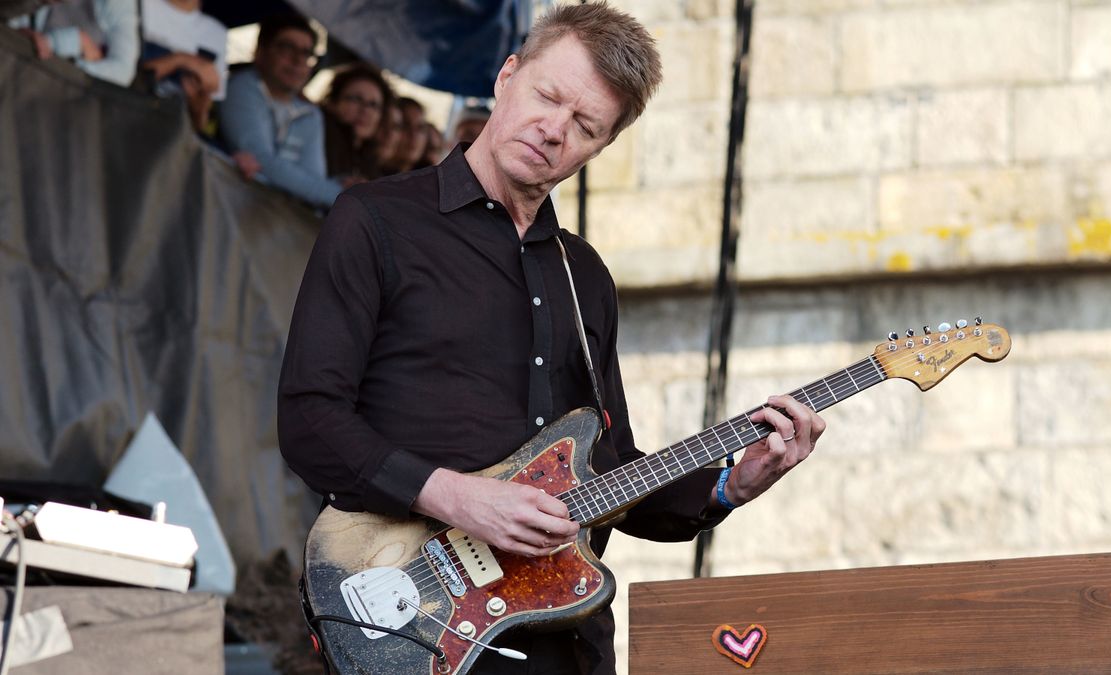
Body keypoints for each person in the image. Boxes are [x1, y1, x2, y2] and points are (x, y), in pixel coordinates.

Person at [276, 3, 825, 673]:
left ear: (601, 146)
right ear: (508, 76)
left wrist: (728, 486)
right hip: (412, 617)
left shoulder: (584, 274)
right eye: (547, 96)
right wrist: (458, 496)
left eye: (585, 124)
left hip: (567, 643)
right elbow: (309, 417)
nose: (553, 129)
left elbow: (609, 466)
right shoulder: (375, 221)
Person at [217, 13, 343, 208]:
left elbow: (313, 180)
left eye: (306, 53)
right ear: (260, 52)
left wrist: (332, 191)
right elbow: (262, 161)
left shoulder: (311, 115)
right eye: (286, 48)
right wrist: (344, 197)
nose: (297, 60)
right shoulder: (241, 87)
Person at [138, 0, 226, 133]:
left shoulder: (217, 33)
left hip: (173, 135)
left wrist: (198, 103)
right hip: (131, 115)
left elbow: (201, 124)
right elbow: (119, 76)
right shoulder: (139, 6)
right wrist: (181, 61)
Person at [8, 0, 139, 86]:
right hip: (24, 69)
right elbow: (11, 23)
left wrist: (66, 48)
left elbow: (124, 71)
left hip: (61, 89)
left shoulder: (119, 4)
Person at [320, 63, 390, 183]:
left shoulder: (371, 162)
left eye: (374, 105)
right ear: (333, 103)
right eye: (356, 99)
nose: (365, 111)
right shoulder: (318, 140)